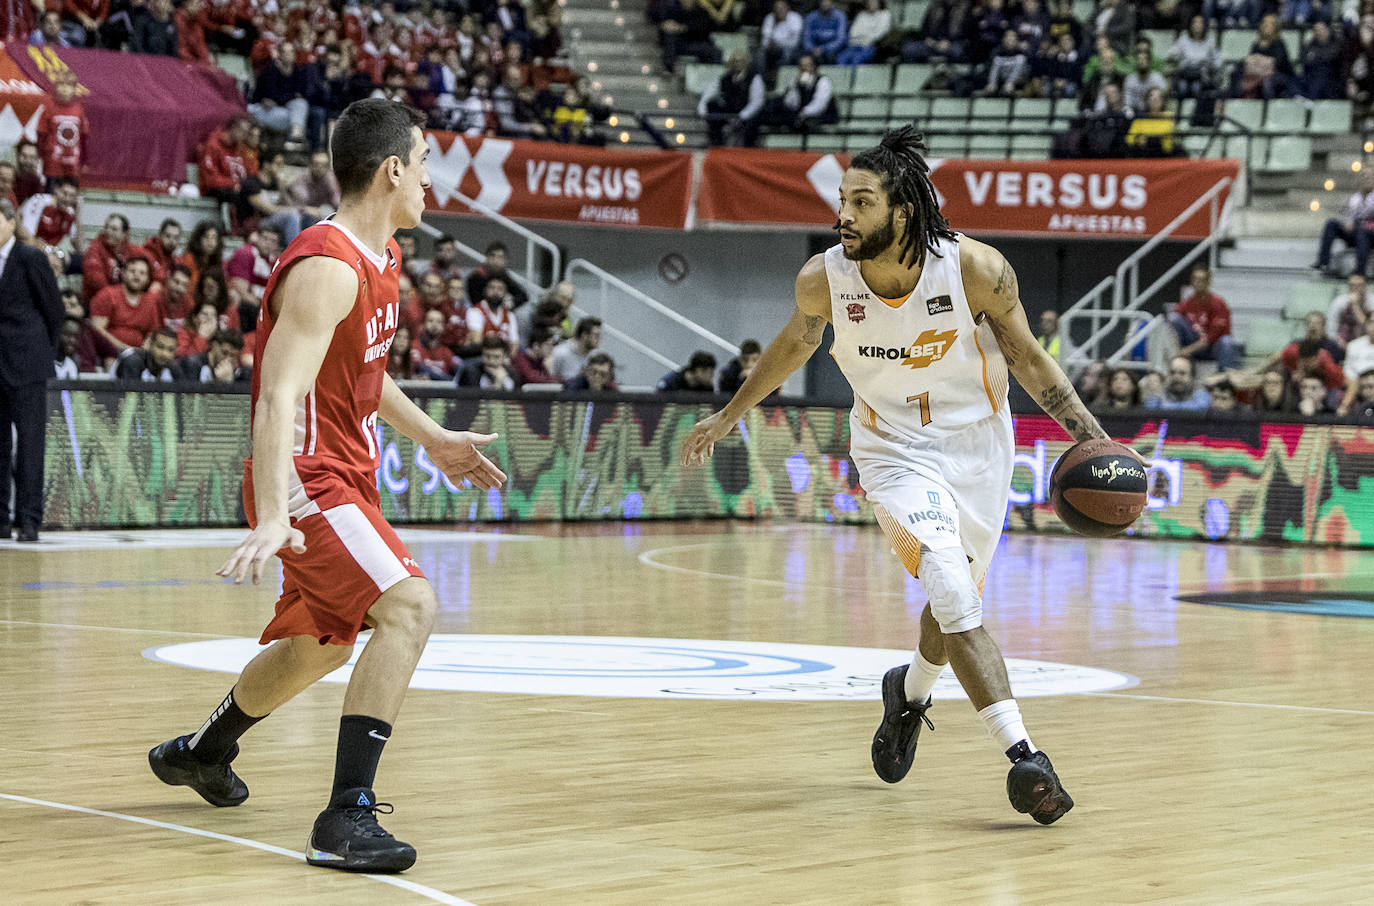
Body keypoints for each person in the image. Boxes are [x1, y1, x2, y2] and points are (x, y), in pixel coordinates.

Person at [681, 127, 1099, 825]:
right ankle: (1024, 755)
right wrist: (728, 415)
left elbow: (1028, 359)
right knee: (951, 586)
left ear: (903, 209)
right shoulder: (824, 278)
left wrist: (1095, 438)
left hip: (979, 448)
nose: (843, 213)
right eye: (842, 199)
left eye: (862, 201)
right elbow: (792, 344)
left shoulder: (975, 270)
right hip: (892, 449)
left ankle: (908, 692)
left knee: (952, 601)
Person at [148, 99, 506, 875]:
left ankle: (200, 754)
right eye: (424, 164)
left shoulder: (379, 260)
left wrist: (434, 439)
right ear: (392, 171)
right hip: (309, 481)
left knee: (316, 644)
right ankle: (345, 817)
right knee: (410, 607)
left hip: (343, 476)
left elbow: (362, 377)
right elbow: (279, 395)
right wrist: (275, 512)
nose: (430, 182)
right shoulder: (327, 267)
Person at [0, 199, 62, 542]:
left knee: (30, 444)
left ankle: (28, 520)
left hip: (27, 364)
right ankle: (0, 517)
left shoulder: (30, 258)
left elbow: (53, 310)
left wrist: (41, 352)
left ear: (11, 222)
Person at [1169, 265, 1239, 371]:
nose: (1198, 282)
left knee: (1227, 342)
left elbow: (1209, 339)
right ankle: (1176, 366)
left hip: (1212, 348)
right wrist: (1178, 350)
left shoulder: (1219, 303)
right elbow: (1174, 328)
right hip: (1192, 343)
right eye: (1195, 279)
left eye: (1201, 279)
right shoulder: (1185, 304)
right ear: (1191, 282)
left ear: (1208, 282)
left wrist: (1185, 351)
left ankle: (1226, 379)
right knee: (1174, 317)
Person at [89, 255, 159, 353]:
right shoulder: (108, 294)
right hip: (108, 351)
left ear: (148, 279)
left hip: (138, 354)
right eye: (132, 271)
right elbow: (97, 329)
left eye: (142, 273)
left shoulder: (150, 302)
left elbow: (152, 334)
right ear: (123, 273)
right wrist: (124, 348)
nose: (137, 275)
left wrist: (143, 350)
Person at [698, 50, 766, 147]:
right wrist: (702, 109)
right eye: (736, 61)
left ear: (746, 62)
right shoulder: (724, 78)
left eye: (741, 61)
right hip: (728, 112)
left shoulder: (755, 78)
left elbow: (757, 101)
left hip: (746, 113)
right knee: (712, 105)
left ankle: (749, 147)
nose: (738, 64)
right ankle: (717, 144)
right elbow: (708, 94)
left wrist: (742, 116)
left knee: (756, 118)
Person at [1312, 171, 1374, 277]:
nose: (1366, 179)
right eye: (1363, 176)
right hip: (1357, 234)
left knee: (1362, 232)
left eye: (1369, 177)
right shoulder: (1355, 199)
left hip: (1370, 235)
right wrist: (1348, 224)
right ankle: (1323, 263)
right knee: (1331, 223)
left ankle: (1360, 271)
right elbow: (1349, 218)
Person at [36, 72, 88, 184]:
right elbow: (41, 134)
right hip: (53, 162)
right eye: (61, 84)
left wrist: (84, 160)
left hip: (72, 161)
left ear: (74, 89)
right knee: (51, 193)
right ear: (56, 87)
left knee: (70, 191)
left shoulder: (78, 110)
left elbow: (83, 136)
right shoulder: (49, 109)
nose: (64, 88)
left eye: (68, 85)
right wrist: (40, 155)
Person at [82, 213, 136, 302]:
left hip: (125, 302)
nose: (108, 231)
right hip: (98, 304)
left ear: (124, 234)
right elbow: (97, 283)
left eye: (114, 229)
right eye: (106, 227)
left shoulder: (132, 251)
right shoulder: (94, 250)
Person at [175, 327, 250, 383]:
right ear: (214, 345)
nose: (228, 359)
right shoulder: (192, 364)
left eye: (233, 356)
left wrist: (230, 383)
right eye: (224, 353)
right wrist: (219, 384)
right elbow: (192, 400)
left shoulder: (236, 371)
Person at [113, 327, 180, 381]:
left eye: (170, 350)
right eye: (160, 347)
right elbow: (130, 395)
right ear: (150, 345)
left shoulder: (173, 366)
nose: (164, 354)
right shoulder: (133, 360)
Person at [1145, 355, 1210, 408]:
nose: (1176, 377)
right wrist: (1156, 395)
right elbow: (1150, 412)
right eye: (1172, 373)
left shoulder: (1202, 397)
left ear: (1192, 377)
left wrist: (1164, 406)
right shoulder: (1159, 397)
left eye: (1182, 373)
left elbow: (1195, 410)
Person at [1327, 274, 1372, 350]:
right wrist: (1337, 340)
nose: (1356, 288)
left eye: (1359, 285)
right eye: (1352, 285)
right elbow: (1331, 327)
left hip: (1368, 343)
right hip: (1342, 344)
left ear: (1365, 287)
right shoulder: (1339, 301)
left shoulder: (1372, 301)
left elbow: (1368, 326)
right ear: (1348, 287)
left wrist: (1355, 305)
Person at [551, 315, 601, 380]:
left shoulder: (595, 355)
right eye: (596, 335)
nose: (599, 339)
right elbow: (550, 380)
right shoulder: (560, 353)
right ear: (584, 335)